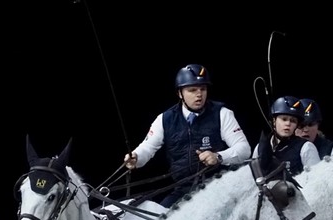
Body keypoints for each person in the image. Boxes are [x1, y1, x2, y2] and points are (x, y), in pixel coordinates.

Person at [123, 63, 251, 208]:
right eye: (192, 90)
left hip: (218, 187)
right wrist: (136, 157)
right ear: (180, 93)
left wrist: (219, 157)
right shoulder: (165, 119)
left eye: (203, 89)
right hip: (183, 190)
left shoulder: (222, 113)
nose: (199, 94)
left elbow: (244, 149)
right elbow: (148, 147)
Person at [252, 95, 319, 175]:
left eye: (293, 121)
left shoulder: (306, 147)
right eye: (284, 119)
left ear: (297, 125)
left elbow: (316, 181)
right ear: (274, 121)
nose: (288, 123)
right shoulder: (260, 148)